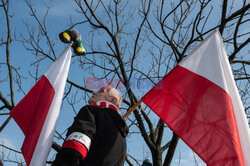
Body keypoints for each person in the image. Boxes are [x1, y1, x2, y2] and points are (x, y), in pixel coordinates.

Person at [52, 86, 128, 166]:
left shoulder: (91, 112)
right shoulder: (122, 138)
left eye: (101, 91)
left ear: (113, 100)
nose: (94, 92)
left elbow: (75, 147)